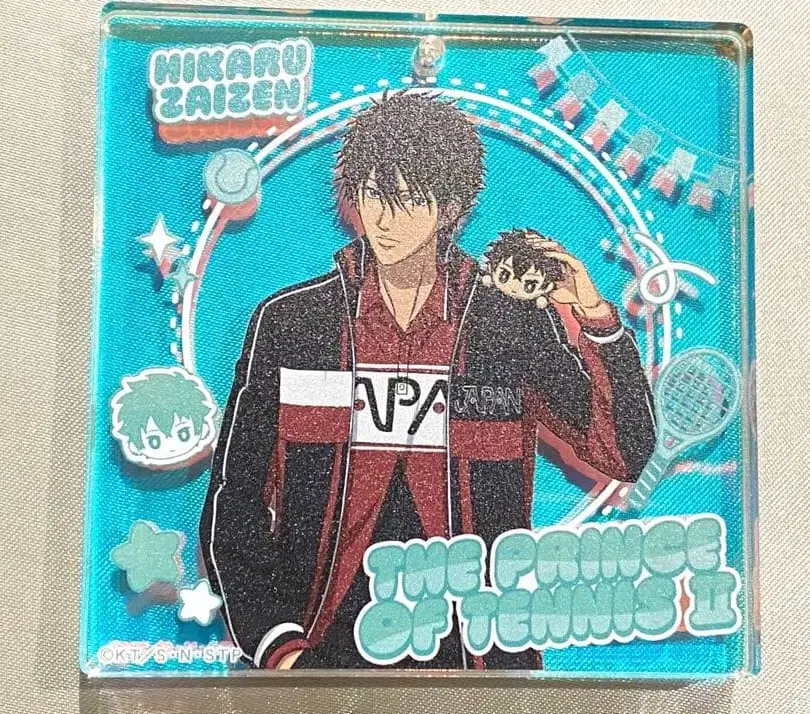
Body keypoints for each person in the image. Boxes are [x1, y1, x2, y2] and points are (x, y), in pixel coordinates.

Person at [200, 91, 656, 670]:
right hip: (319, 653)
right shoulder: (292, 323)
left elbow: (624, 453)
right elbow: (234, 500)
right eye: (373, 195)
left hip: (481, 663)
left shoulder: (507, 321)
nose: (385, 220)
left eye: (411, 200)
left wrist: (592, 314)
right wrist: (276, 645)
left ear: (451, 206)